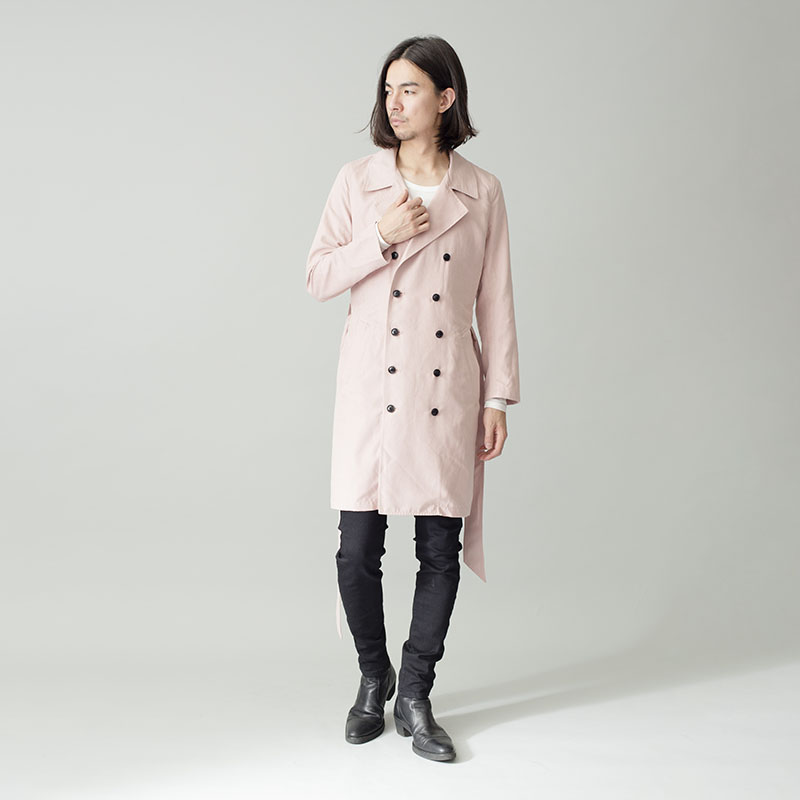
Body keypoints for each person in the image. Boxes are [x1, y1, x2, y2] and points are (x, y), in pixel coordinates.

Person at [305, 35, 521, 762]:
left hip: (445, 384)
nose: (394, 103)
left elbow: (496, 302)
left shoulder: (481, 190)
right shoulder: (356, 182)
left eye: (410, 89)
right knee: (355, 551)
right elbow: (318, 276)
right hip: (371, 387)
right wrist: (381, 236)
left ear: (446, 98)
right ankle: (375, 678)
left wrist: (497, 399)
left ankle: (417, 694)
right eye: (389, 89)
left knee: (439, 550)